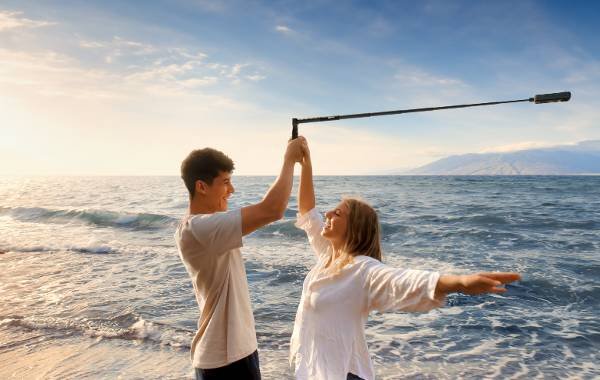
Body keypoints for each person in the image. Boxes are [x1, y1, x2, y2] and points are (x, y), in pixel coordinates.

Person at [290, 139, 521, 380]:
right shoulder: (328, 255)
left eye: (337, 213)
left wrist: (460, 282)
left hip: (343, 374)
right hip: (317, 370)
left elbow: (404, 281)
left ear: (355, 229)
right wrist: (305, 162)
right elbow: (308, 210)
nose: (327, 214)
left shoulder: (363, 269)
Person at [175, 137, 306, 380]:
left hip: (231, 353)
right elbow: (273, 209)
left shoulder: (203, 227)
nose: (232, 190)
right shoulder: (201, 228)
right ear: (201, 186)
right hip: (226, 359)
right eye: (225, 182)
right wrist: (289, 160)